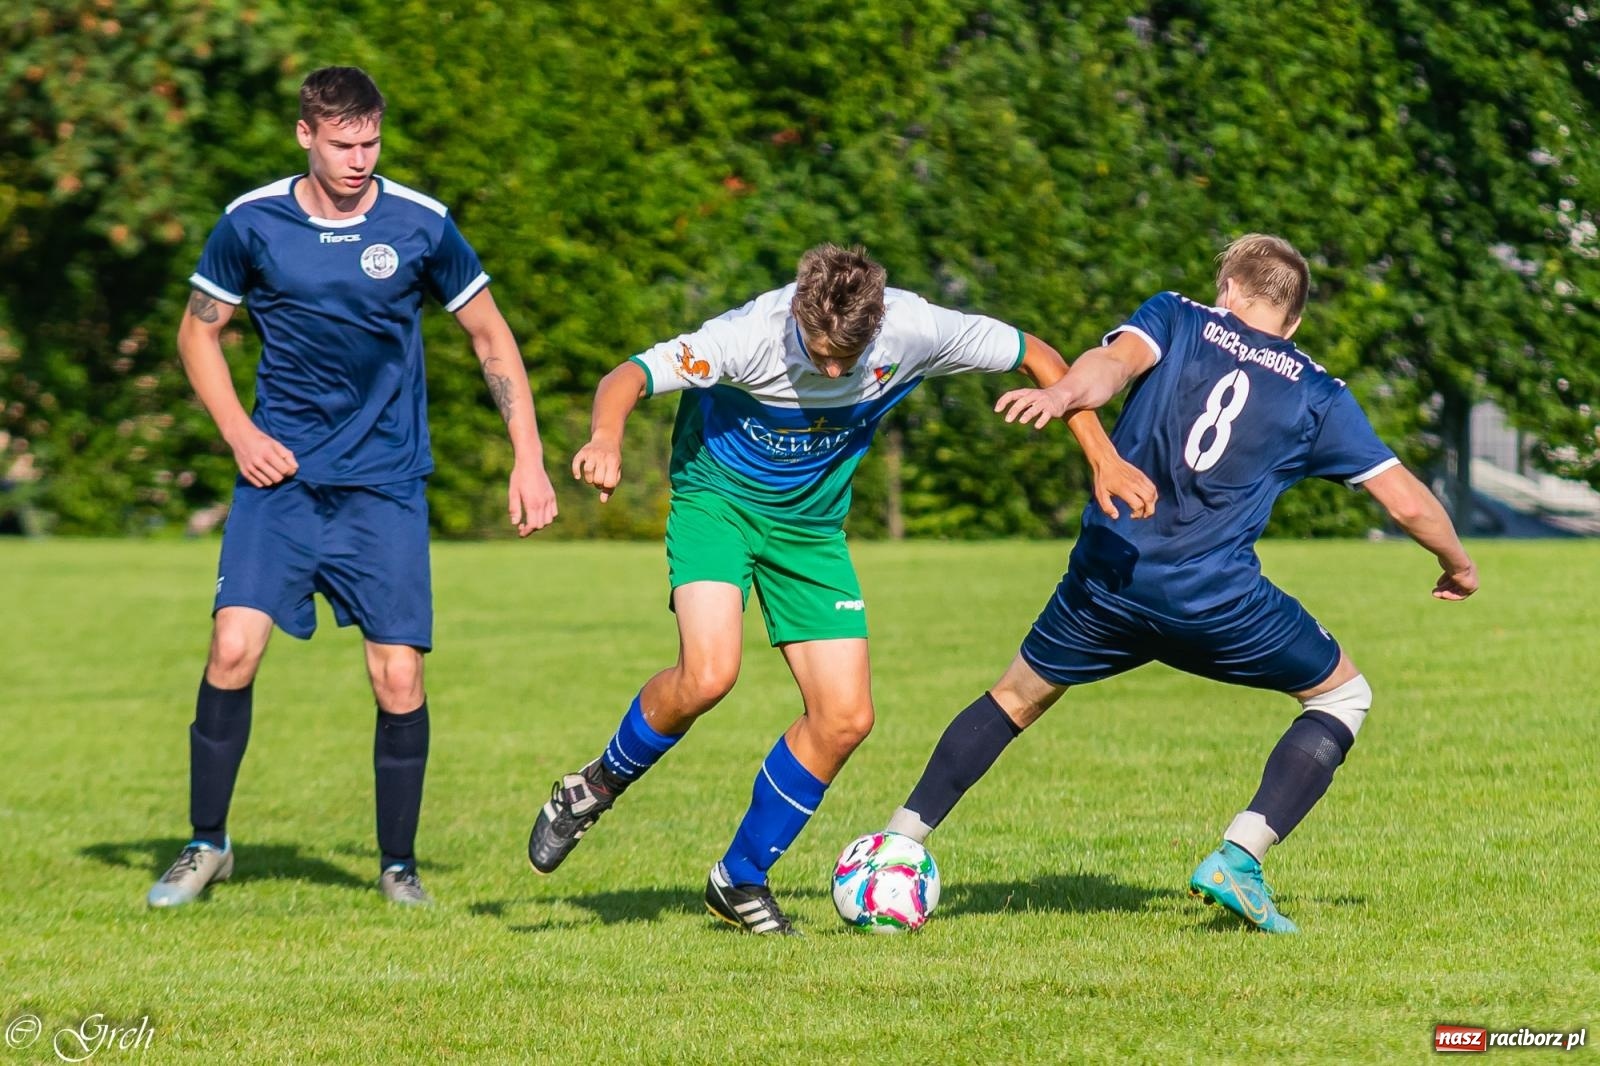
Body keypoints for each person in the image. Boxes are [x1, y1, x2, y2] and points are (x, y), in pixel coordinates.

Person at [528, 243, 1157, 934]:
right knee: (709, 675)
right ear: (797, 314)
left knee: (846, 718)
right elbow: (629, 375)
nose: (831, 369)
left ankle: (738, 880)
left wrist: (1104, 458)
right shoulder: (745, 339)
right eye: (819, 352)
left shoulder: (913, 328)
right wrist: (606, 437)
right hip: (719, 504)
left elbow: (1035, 352)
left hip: (812, 530)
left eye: (846, 358)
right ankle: (593, 786)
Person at [880, 234, 1478, 933]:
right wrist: (1458, 565)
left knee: (1013, 698)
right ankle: (1240, 854)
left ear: (1228, 290)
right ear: (1295, 321)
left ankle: (898, 845)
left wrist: (1065, 391)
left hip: (1109, 577)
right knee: (1343, 694)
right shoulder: (1319, 393)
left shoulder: (1177, 316)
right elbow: (1406, 502)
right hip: (1213, 601)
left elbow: (1107, 366)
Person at [147, 67, 557, 908]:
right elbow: (198, 337)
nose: (360, 159)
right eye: (344, 144)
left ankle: (398, 866)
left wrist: (529, 454)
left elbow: (489, 337)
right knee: (231, 652)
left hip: (384, 487)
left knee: (397, 678)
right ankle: (206, 843)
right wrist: (240, 434)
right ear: (307, 135)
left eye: (371, 142)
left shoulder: (422, 225)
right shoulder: (250, 222)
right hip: (282, 484)